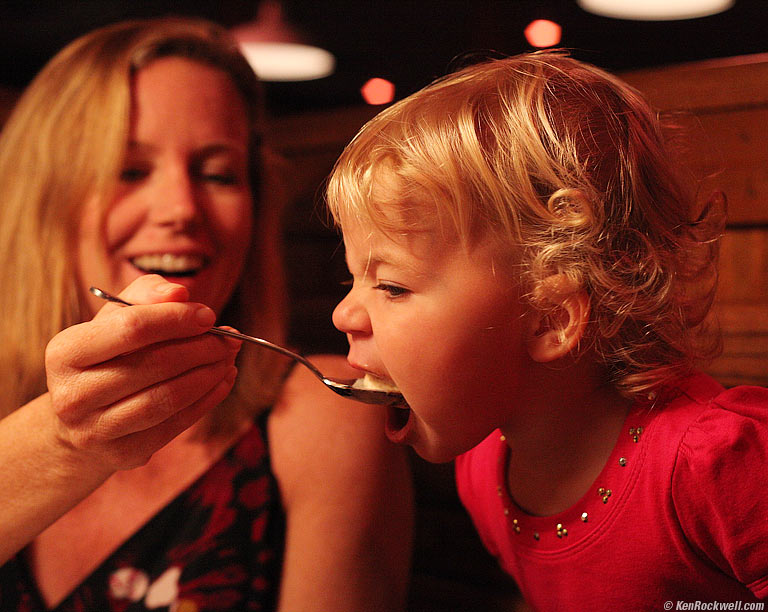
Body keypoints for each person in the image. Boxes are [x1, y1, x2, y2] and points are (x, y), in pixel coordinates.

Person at [327, 50, 768, 609]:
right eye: (352, 278)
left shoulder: (720, 465)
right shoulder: (484, 471)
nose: (344, 315)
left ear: (550, 317)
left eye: (391, 286)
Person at [0, 17, 413, 612]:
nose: (181, 209)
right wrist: (65, 441)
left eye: (219, 174)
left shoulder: (323, 417)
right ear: (44, 201)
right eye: (130, 171)